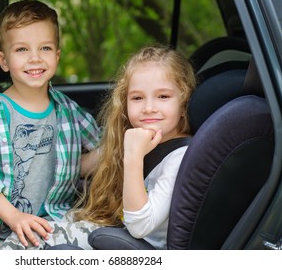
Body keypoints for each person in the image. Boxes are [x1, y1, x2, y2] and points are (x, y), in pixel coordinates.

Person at [0, 0, 101, 250]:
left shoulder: (67, 110)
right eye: (22, 50)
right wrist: (14, 217)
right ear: (3, 60)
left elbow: (102, 145)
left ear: (57, 56)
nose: (35, 58)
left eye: (45, 48)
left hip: (49, 224)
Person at [73, 44, 196, 249]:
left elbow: (140, 226)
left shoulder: (179, 157)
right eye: (137, 98)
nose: (148, 108)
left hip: (137, 245)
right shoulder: (137, 138)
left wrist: (133, 157)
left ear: (183, 104)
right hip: (116, 230)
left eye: (163, 96)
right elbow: (80, 168)